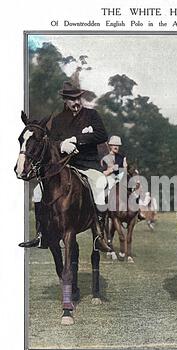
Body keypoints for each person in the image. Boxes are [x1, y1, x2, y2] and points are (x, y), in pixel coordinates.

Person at [19, 81, 110, 251]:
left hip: (88, 166)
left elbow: (102, 134)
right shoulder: (59, 120)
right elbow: (51, 142)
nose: (76, 103)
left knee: (100, 184)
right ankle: (41, 235)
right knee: (38, 191)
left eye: (78, 99)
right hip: (65, 167)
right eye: (71, 100)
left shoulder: (92, 115)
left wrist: (78, 139)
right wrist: (61, 145)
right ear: (65, 101)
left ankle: (98, 235)